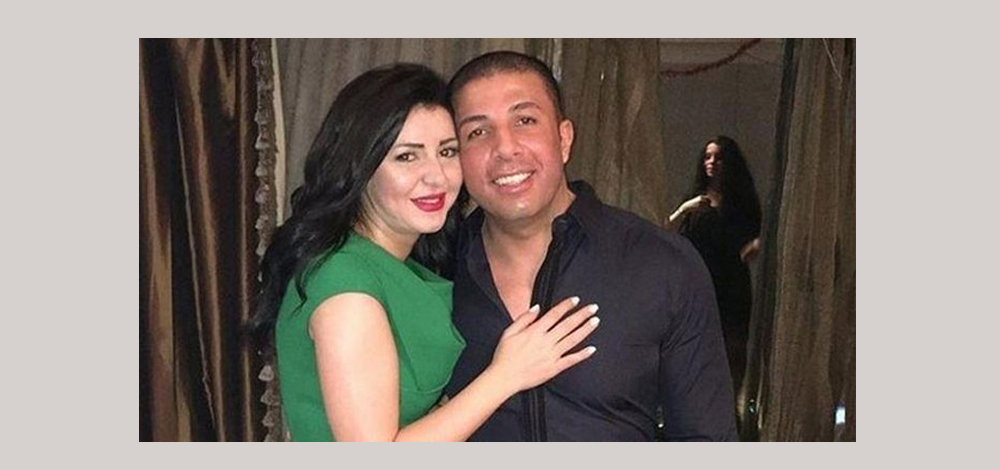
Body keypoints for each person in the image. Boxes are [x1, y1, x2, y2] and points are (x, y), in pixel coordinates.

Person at [248, 64, 599, 441]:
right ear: (361, 168)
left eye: (447, 152)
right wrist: (506, 375)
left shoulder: (398, 265)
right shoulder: (346, 284)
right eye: (406, 157)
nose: (437, 176)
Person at [443, 51, 737, 441]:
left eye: (525, 120)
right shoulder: (433, 268)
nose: (505, 148)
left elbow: (707, 439)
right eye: (478, 132)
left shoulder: (661, 263)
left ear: (564, 139)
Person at [664, 135, 762, 398]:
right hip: (696, 287)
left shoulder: (741, 202)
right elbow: (665, 231)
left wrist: (755, 246)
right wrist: (686, 208)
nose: (712, 162)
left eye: (719, 158)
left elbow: (758, 235)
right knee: (693, 354)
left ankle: (729, 407)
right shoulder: (696, 201)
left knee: (731, 353)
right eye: (708, 157)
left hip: (731, 287)